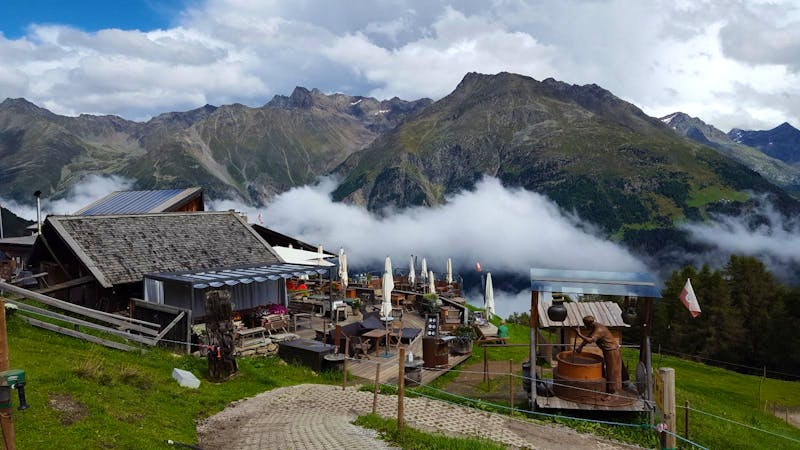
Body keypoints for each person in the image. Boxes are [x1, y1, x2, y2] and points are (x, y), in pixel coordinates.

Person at [575, 315, 622, 396]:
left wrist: (579, 334)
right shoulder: (594, 327)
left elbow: (590, 340)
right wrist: (580, 347)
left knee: (612, 372)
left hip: (612, 351)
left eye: (585, 324)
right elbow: (588, 337)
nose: (585, 326)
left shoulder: (599, 329)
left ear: (588, 324)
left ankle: (613, 394)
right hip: (608, 351)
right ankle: (610, 390)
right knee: (610, 371)